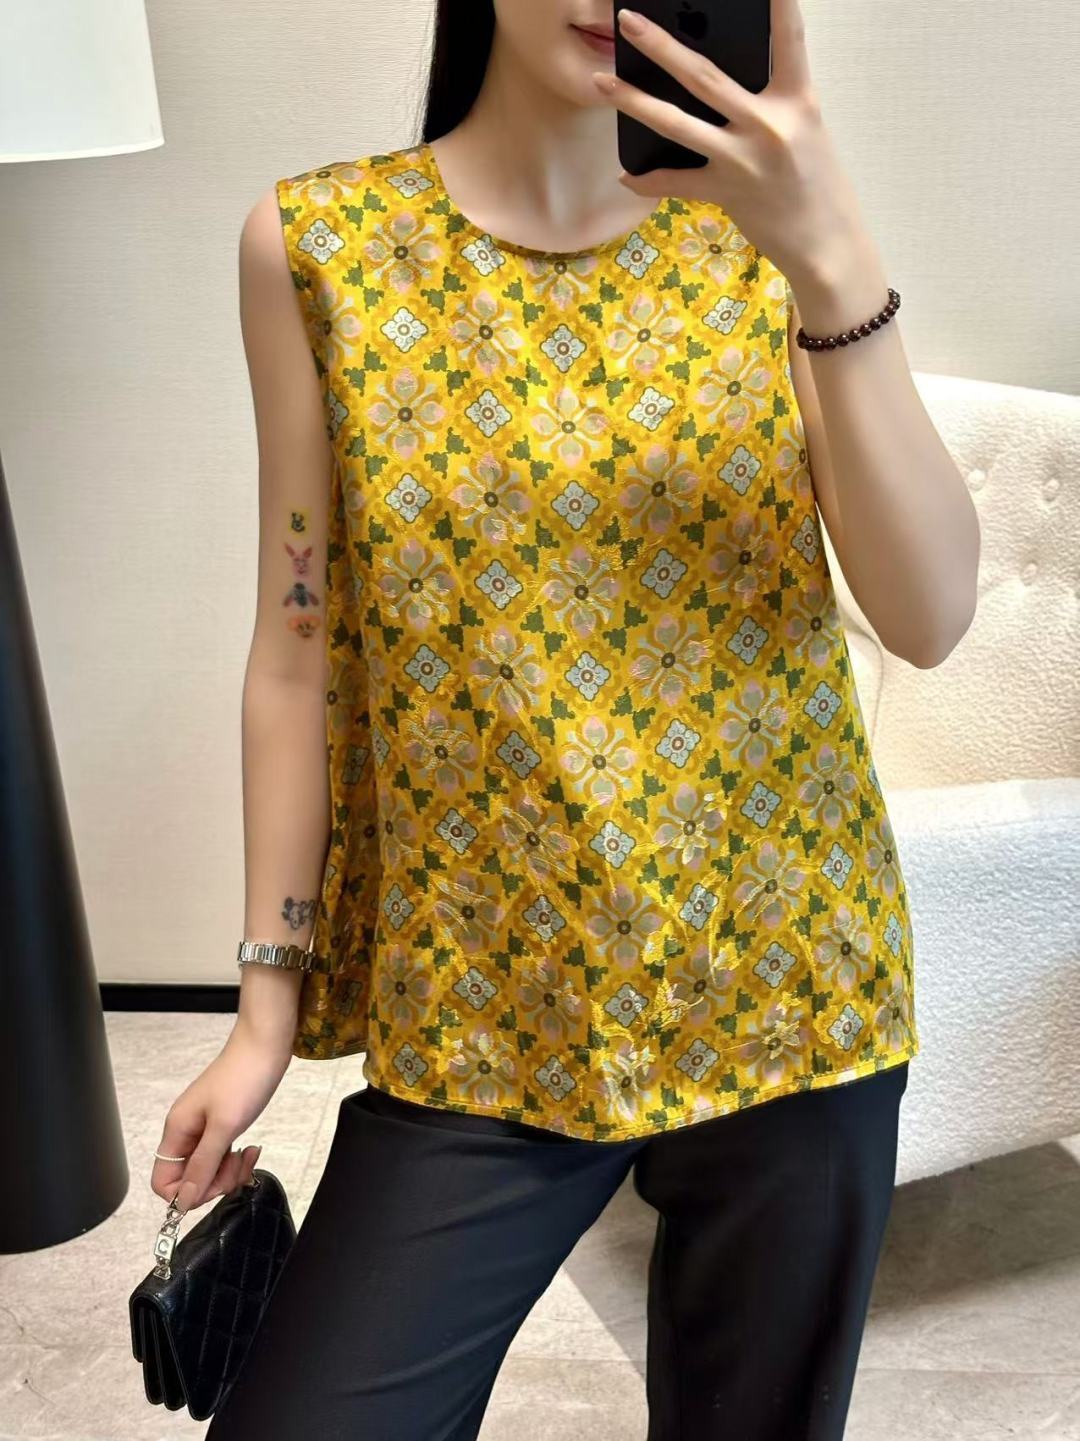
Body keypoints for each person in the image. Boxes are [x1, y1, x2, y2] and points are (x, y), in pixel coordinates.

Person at [152, 2, 980, 1436]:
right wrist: (262, 1011)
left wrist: (830, 250)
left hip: (791, 984)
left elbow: (932, 616)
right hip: (480, 997)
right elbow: (295, 651)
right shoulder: (320, 248)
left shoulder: (765, 237)